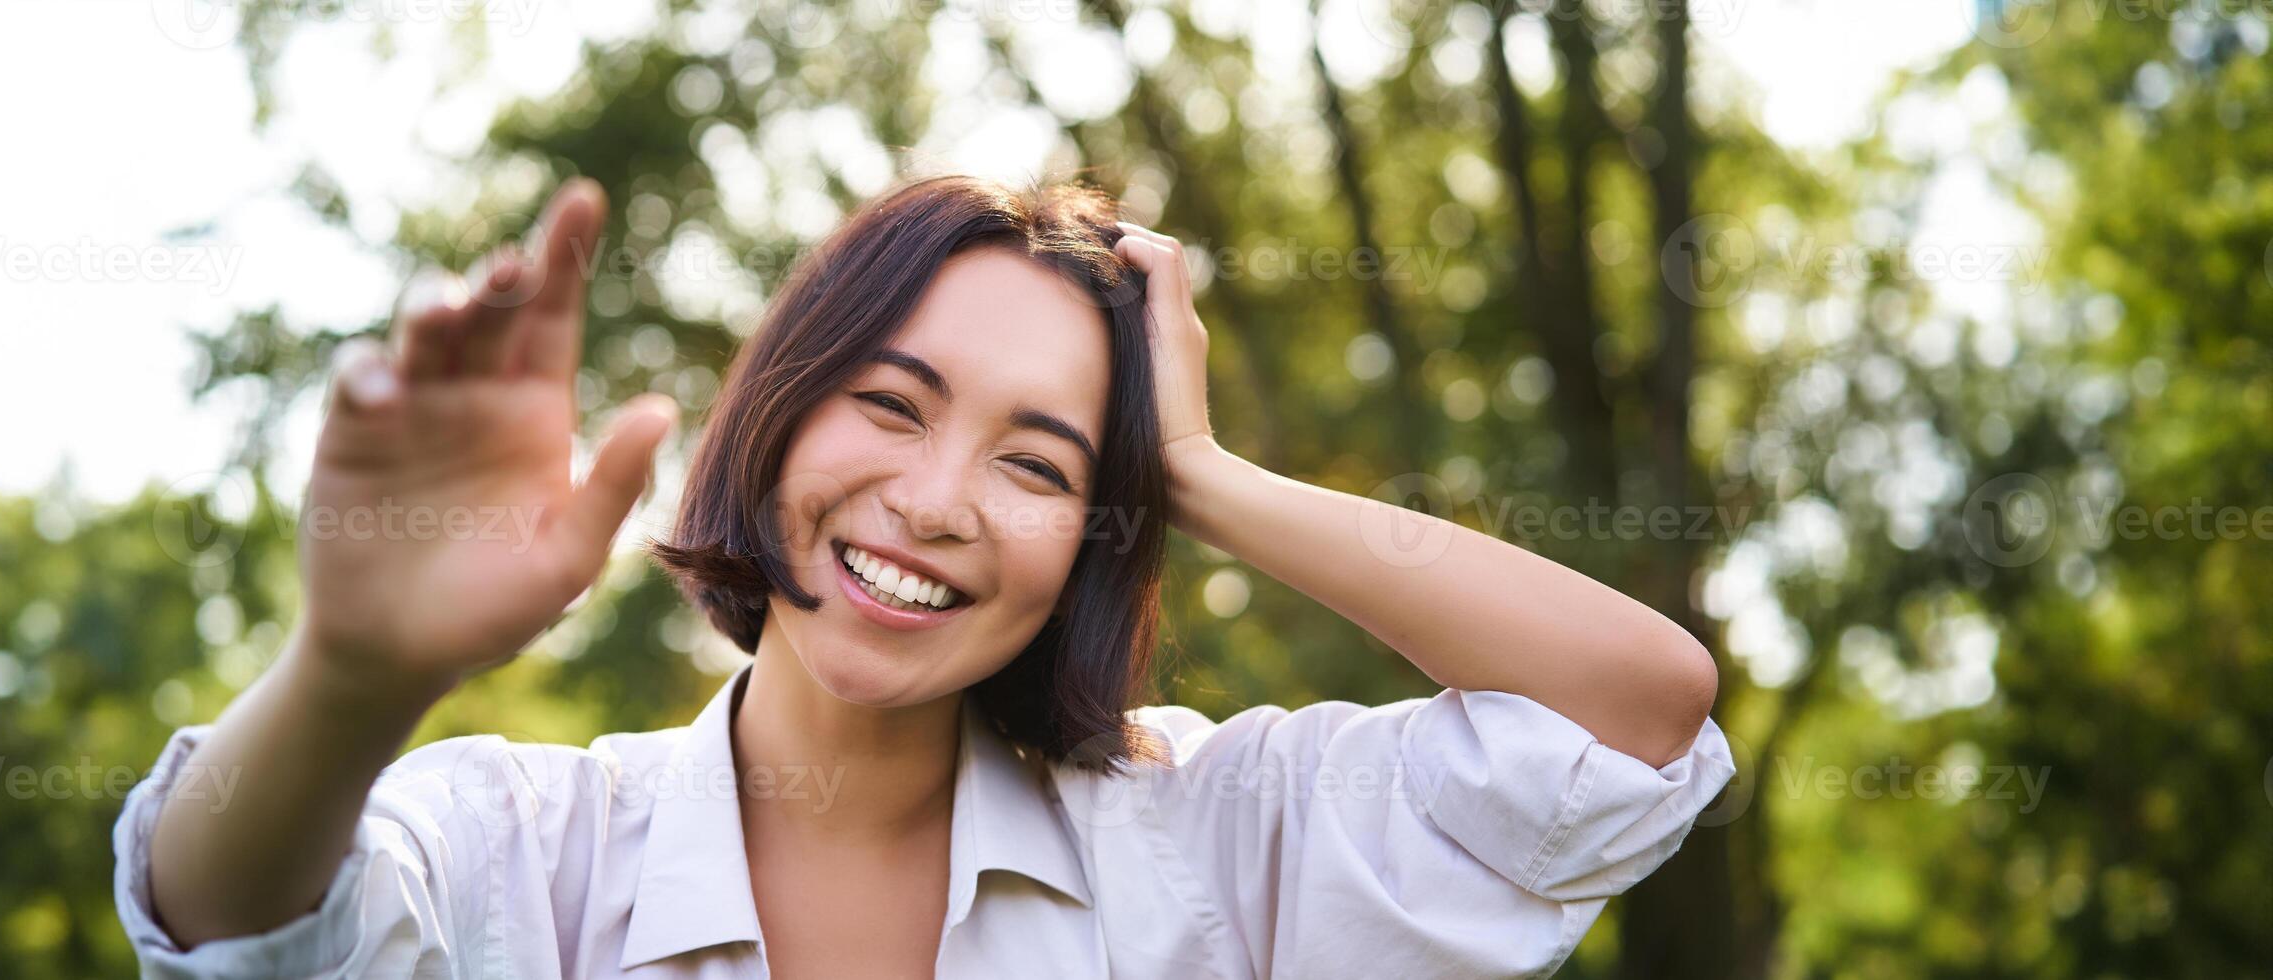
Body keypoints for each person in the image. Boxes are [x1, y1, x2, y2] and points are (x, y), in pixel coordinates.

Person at [112, 173, 1734, 979]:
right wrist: (351, 671)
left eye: (1039, 464)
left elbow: (1633, 723)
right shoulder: (521, 850)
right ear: (775, 412)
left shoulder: (1216, 843)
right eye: (889, 405)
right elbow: (239, 930)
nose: (939, 500)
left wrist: (1204, 480)